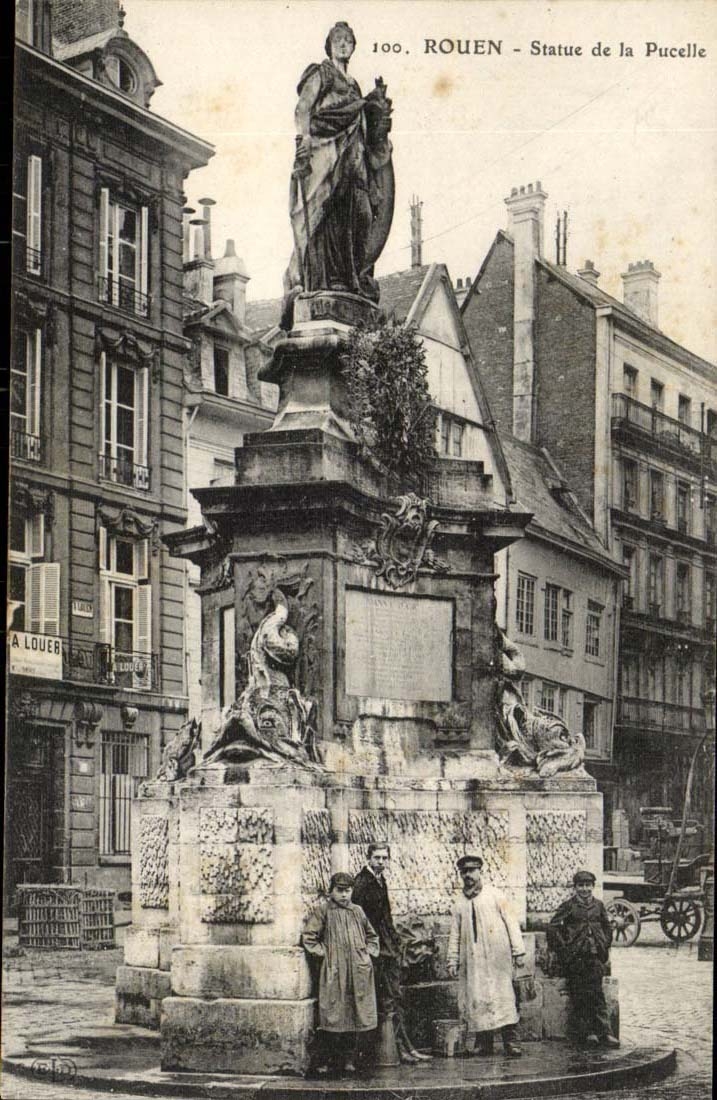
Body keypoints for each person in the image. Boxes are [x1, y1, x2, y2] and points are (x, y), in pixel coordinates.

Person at [282, 21, 393, 323]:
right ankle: (325, 281)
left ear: (353, 46)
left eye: (348, 40)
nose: (343, 44)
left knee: (359, 214)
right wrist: (304, 139)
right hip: (327, 155)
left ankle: (350, 279)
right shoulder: (322, 73)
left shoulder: (355, 87)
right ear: (329, 46)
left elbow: (367, 127)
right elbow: (303, 108)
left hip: (354, 158)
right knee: (328, 216)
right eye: (338, 40)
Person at [351, 843, 431, 1064]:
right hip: (376, 952)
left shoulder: (380, 880)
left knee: (393, 998)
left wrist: (395, 941)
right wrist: (371, 947)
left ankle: (404, 1048)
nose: (381, 861)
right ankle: (399, 1049)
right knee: (389, 1000)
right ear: (368, 858)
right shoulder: (362, 883)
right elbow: (359, 920)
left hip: (387, 948)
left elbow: (386, 917)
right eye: (377, 857)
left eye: (384, 858)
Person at [446, 853, 526, 1058]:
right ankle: (484, 1043)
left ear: (480, 871)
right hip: (472, 961)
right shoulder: (459, 902)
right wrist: (452, 960)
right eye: (464, 872)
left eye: (472, 871)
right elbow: (455, 933)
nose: (468, 875)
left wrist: (518, 951)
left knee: (503, 997)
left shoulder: (495, 895)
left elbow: (512, 922)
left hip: (497, 958)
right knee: (478, 997)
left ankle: (511, 1042)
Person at [301, 871, 380, 1077]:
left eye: (348, 891)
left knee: (357, 1013)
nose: (344, 895)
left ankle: (350, 1061)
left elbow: (372, 936)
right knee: (334, 1013)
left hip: (358, 971)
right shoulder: (324, 911)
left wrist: (367, 954)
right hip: (335, 971)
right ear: (331, 891)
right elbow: (309, 937)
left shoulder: (358, 911)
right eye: (340, 890)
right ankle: (331, 1061)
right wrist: (325, 954)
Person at [548, 869, 620, 1049]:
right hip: (576, 957)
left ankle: (605, 1032)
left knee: (597, 994)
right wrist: (564, 947)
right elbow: (553, 927)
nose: (585, 889)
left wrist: (604, 943)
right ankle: (588, 1033)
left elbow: (607, 926)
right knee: (580, 995)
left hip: (595, 956)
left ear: (592, 887)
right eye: (581, 885)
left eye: (588, 885)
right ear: (575, 887)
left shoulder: (599, 906)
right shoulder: (569, 906)